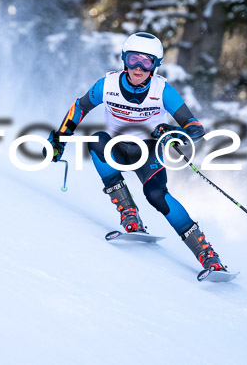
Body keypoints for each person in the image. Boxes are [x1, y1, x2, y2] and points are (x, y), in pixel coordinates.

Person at [47, 32, 227, 273]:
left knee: (156, 195)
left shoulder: (162, 90)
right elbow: (79, 107)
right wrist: (60, 139)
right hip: (117, 147)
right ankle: (129, 213)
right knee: (97, 140)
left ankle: (206, 254)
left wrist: (171, 130)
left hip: (148, 151)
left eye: (146, 62)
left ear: (155, 66)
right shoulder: (107, 85)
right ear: (124, 60)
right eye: (133, 60)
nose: (139, 68)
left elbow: (195, 129)